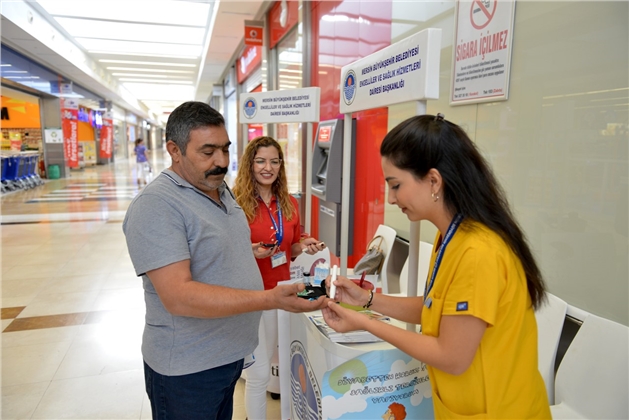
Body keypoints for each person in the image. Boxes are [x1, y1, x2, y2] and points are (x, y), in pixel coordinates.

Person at [322, 114, 550, 419]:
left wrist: (364, 322)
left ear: (433, 181)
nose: (391, 199)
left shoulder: (478, 252)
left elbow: (452, 356)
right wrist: (366, 301)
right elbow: (438, 311)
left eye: (396, 185)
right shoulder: (451, 236)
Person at [122, 101, 327, 420]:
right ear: (174, 150)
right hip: (188, 371)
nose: (221, 162)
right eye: (208, 152)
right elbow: (178, 297)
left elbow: (217, 248)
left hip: (227, 358)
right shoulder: (157, 206)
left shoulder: (217, 189)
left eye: (225, 149)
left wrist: (250, 253)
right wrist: (269, 298)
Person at [232, 136, 326, 420]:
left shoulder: (288, 203)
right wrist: (251, 251)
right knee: (259, 372)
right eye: (260, 161)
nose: (267, 167)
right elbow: (226, 250)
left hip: (281, 292)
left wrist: (305, 245)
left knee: (278, 362)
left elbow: (292, 246)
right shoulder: (236, 203)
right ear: (250, 164)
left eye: (274, 161)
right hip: (250, 294)